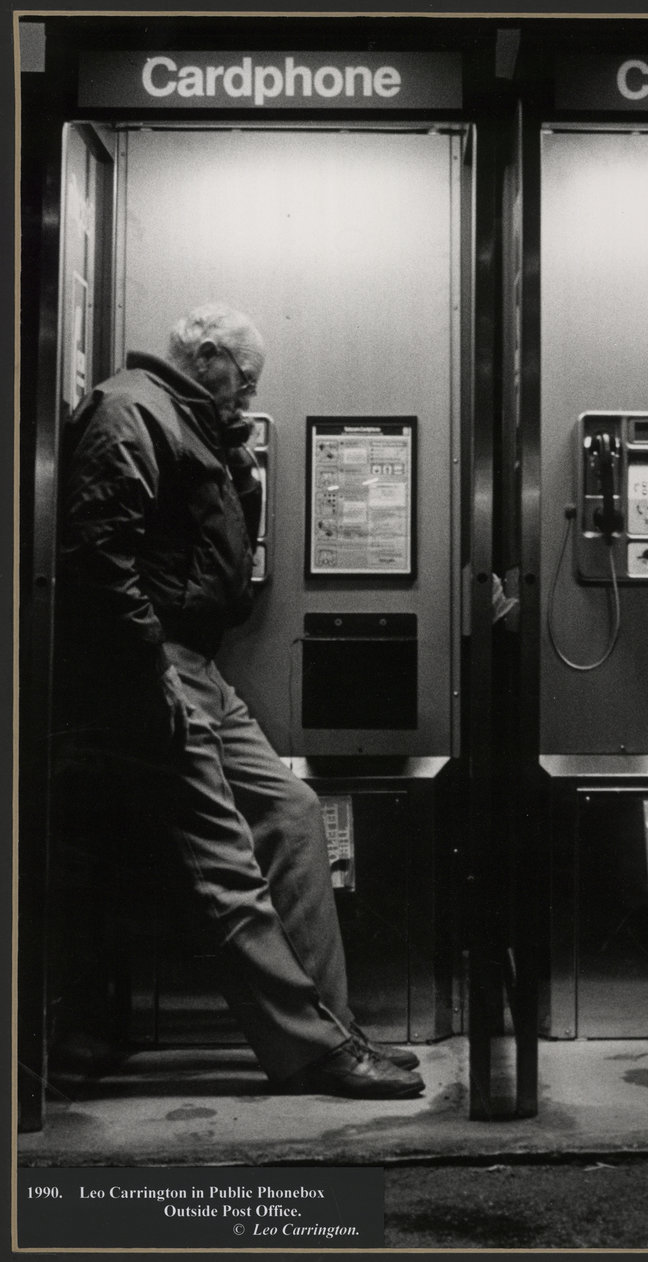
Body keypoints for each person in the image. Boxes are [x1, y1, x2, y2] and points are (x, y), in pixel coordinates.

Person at [57, 302, 424, 1099]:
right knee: (222, 861)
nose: (247, 396)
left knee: (291, 811)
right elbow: (96, 555)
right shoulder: (132, 411)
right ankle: (308, 1052)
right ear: (208, 354)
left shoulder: (191, 427)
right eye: (243, 380)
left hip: (197, 662)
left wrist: (242, 472)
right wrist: (145, 666)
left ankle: (333, 1027)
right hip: (151, 663)